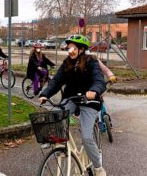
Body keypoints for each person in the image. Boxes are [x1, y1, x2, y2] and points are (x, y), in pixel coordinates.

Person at [38, 34, 107, 176]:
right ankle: (58, 145)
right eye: (69, 48)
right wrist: (45, 94)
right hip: (72, 99)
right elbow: (56, 81)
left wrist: (94, 91)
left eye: (73, 48)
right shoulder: (67, 63)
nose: (70, 51)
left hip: (89, 101)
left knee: (87, 137)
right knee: (55, 115)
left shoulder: (91, 62)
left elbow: (99, 80)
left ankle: (98, 167)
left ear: (81, 49)